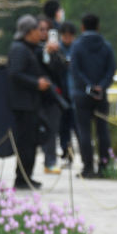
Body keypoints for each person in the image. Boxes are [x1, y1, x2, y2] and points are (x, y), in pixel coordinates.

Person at [7, 14, 55, 190]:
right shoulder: (19, 49)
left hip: (30, 104)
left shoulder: (27, 48)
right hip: (23, 105)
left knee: (31, 142)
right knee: (26, 143)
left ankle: (27, 176)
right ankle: (22, 178)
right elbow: (15, 74)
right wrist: (36, 83)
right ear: (28, 32)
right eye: (37, 30)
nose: (40, 34)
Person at [70, 13, 116, 178]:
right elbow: (111, 70)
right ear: (98, 27)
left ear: (82, 27)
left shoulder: (77, 46)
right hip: (101, 96)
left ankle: (87, 167)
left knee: (84, 132)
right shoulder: (106, 46)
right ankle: (104, 167)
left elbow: (75, 70)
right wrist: (101, 87)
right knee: (103, 131)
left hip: (82, 95)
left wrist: (88, 87)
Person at [38, 16, 69, 174]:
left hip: (53, 96)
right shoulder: (33, 48)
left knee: (52, 129)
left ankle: (50, 161)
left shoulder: (57, 49)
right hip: (36, 97)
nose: (44, 33)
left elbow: (61, 69)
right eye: (41, 29)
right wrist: (45, 53)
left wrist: (55, 54)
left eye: (47, 30)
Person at [57, 22, 78, 165]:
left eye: (70, 36)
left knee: (76, 125)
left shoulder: (77, 49)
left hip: (75, 92)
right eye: (65, 36)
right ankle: (65, 151)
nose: (67, 39)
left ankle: (79, 152)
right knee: (62, 126)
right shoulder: (56, 49)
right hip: (61, 91)